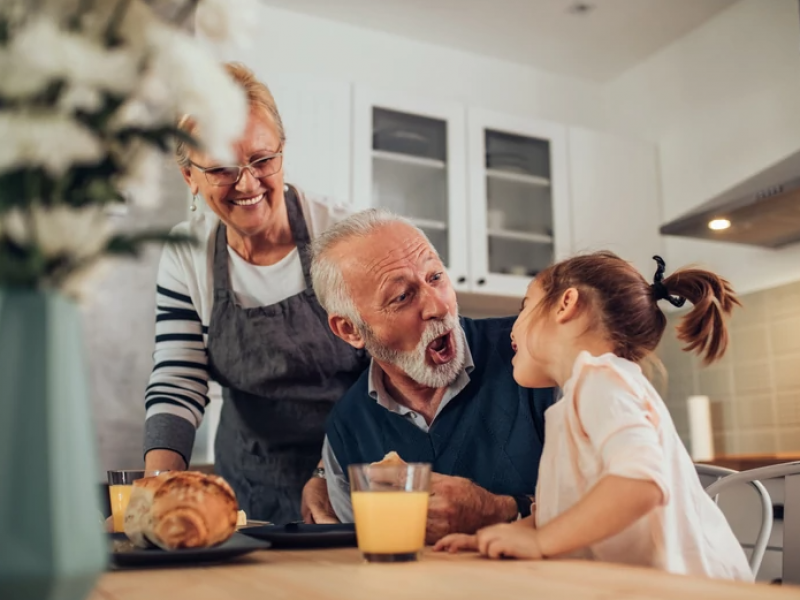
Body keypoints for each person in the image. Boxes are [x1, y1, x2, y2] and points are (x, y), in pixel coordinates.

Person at [142, 62, 369, 523]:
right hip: (247, 480)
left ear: (282, 152)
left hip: (354, 467)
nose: (247, 184)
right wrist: (156, 491)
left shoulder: (342, 233)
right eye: (222, 168)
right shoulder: (189, 253)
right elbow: (178, 378)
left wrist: (330, 472)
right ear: (191, 178)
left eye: (263, 161)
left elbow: (385, 371)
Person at [434, 252, 752, 580]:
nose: (513, 325)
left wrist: (542, 541)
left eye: (525, 305)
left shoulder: (600, 379)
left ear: (565, 303)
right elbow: (560, 515)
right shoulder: (579, 396)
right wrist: (493, 539)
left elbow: (642, 483)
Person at [306, 209, 556, 543]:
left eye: (435, 277)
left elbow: (621, 505)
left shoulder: (538, 354)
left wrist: (503, 510)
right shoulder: (348, 427)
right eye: (402, 297)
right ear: (350, 329)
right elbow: (360, 561)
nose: (438, 307)